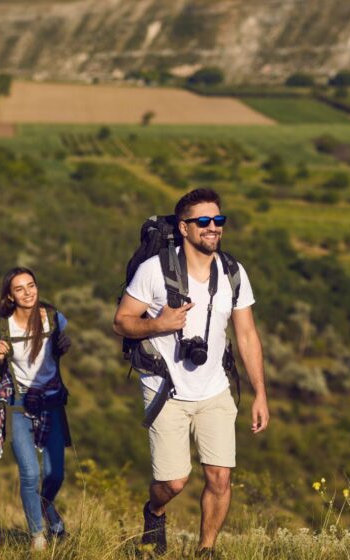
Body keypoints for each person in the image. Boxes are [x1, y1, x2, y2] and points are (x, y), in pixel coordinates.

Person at [113, 188, 269, 558]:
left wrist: (260, 393)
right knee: (173, 482)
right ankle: (155, 512)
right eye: (203, 221)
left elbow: (247, 335)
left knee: (220, 477)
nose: (213, 227)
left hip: (215, 389)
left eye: (218, 219)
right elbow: (121, 321)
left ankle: (206, 550)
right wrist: (158, 325)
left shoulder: (232, 272)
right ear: (184, 228)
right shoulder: (154, 271)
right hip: (166, 389)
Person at [0, 267, 71, 551]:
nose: (27, 292)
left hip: (52, 402)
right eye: (19, 288)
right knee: (30, 473)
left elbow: (61, 346)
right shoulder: (0, 328)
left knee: (54, 474)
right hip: (18, 403)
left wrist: (64, 345)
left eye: (31, 285)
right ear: (10, 296)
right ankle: (38, 537)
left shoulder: (55, 318)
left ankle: (46, 507)